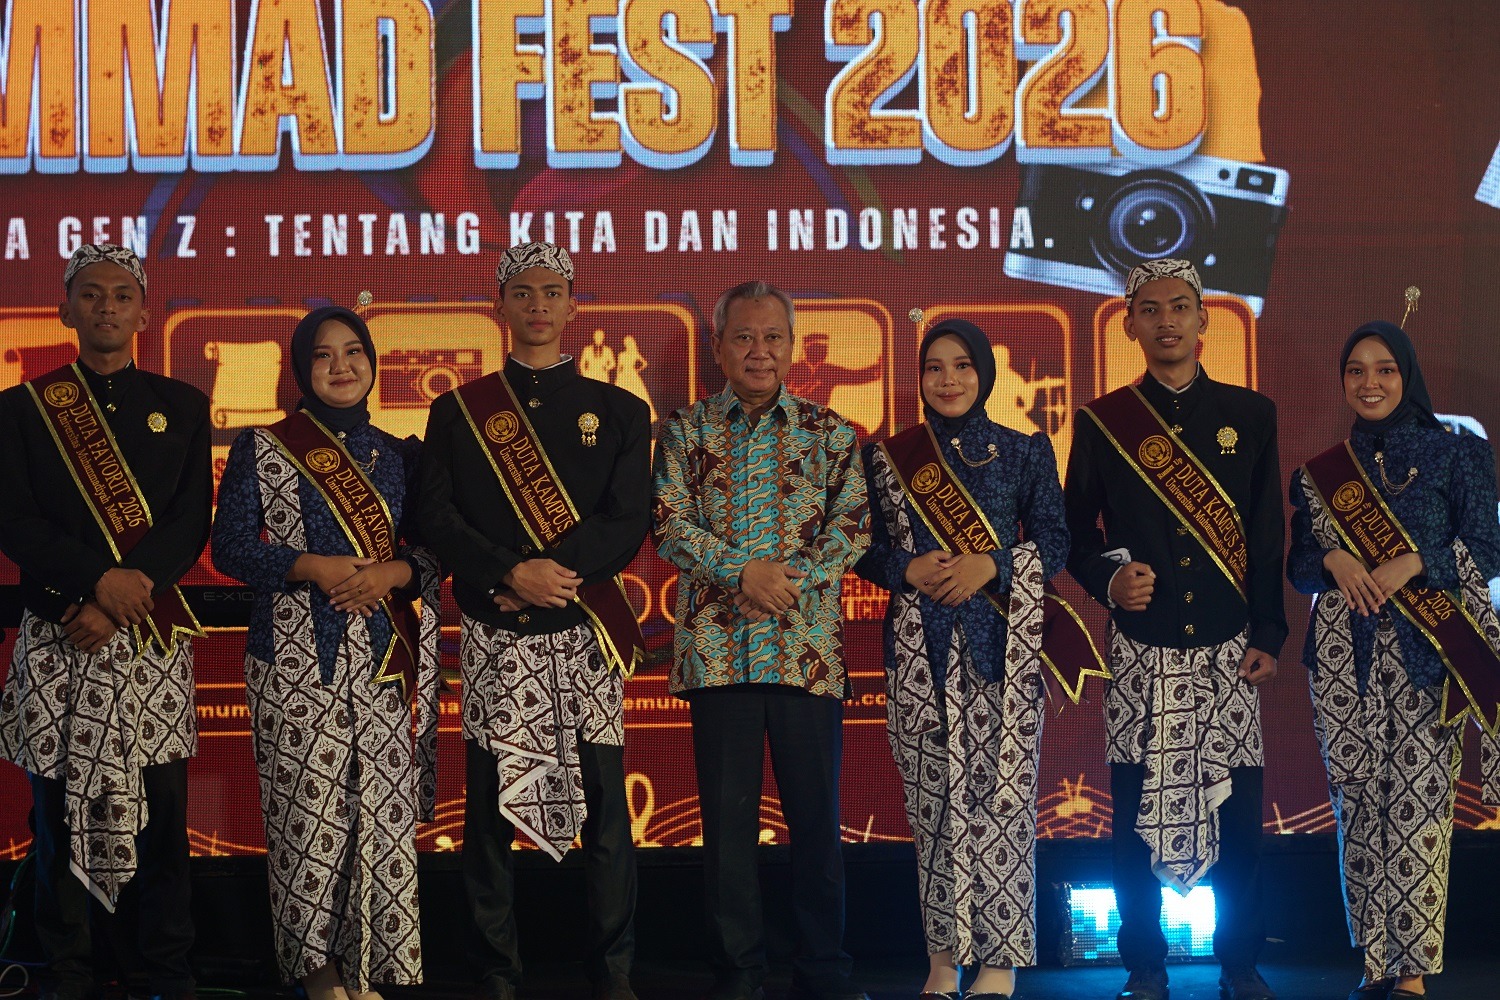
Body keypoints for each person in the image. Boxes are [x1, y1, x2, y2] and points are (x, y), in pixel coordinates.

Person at [419, 242, 650, 1000]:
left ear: (573, 304)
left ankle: (613, 974)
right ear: (501, 305)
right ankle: (496, 973)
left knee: (606, 817)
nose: (539, 305)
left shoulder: (621, 411)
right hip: (496, 633)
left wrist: (549, 576)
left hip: (584, 633)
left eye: (552, 292)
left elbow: (628, 519)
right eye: (523, 292)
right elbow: (435, 516)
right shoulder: (458, 412)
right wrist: (508, 573)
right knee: (487, 816)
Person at [1063, 259, 1286, 1000]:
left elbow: (1266, 535)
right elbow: (1074, 536)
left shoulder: (1251, 415)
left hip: (1229, 647)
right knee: (1134, 815)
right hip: (1141, 648)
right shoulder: (1103, 422)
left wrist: (1269, 633)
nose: (1167, 321)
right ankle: (1144, 965)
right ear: (1129, 324)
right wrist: (1108, 579)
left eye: (1181, 307)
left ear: (1202, 320)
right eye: (1151, 309)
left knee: (1239, 817)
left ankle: (1240, 962)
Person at [211, 305, 443, 999]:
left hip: (380, 663)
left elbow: (431, 555)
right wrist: (310, 565)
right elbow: (230, 549)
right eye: (322, 354)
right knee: (306, 823)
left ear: (372, 362)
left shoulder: (401, 456)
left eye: (353, 352)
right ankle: (319, 977)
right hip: (290, 662)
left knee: (379, 821)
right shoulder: (262, 447)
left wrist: (392, 573)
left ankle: (368, 970)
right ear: (300, 368)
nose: (341, 366)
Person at [0, 244, 211, 1000]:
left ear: (144, 313)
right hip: (62, 634)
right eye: (91, 294)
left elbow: (190, 520)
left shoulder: (182, 405)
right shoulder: (22, 409)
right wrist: (90, 589)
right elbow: (15, 520)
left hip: (147, 635)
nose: (107, 306)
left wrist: (127, 590)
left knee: (162, 817)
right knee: (60, 814)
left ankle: (166, 970)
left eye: (123, 294)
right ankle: (70, 971)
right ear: (66, 309)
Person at [652, 280, 871, 1000]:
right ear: (718, 346)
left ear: (793, 346)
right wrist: (744, 572)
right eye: (743, 336)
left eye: (772, 336)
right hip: (718, 657)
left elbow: (853, 527)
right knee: (727, 832)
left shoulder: (830, 432)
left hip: (806, 654)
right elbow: (670, 524)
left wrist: (788, 579)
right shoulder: (684, 431)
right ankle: (738, 974)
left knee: (817, 824)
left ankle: (824, 971)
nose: (758, 350)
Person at [855, 319, 1075, 1000]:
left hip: (1000, 654)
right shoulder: (887, 458)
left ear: (984, 373)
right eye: (934, 367)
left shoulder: (1024, 450)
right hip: (918, 653)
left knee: (1002, 807)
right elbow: (862, 548)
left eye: (962, 366)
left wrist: (993, 564)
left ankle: (1000, 963)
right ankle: (944, 960)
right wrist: (905, 567)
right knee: (933, 811)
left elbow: (1056, 541)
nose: (947, 379)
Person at [1288, 321, 1500, 1000]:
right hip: (1344, 663)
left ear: (1407, 375)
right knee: (1357, 811)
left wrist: (1415, 561)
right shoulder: (1320, 473)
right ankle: (1375, 963)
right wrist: (1332, 557)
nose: (1370, 382)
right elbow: (1297, 565)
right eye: (1356, 370)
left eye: (1384, 369)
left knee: (1417, 813)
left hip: (1428, 658)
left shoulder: (1457, 454)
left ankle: (1411, 974)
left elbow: (1487, 549)